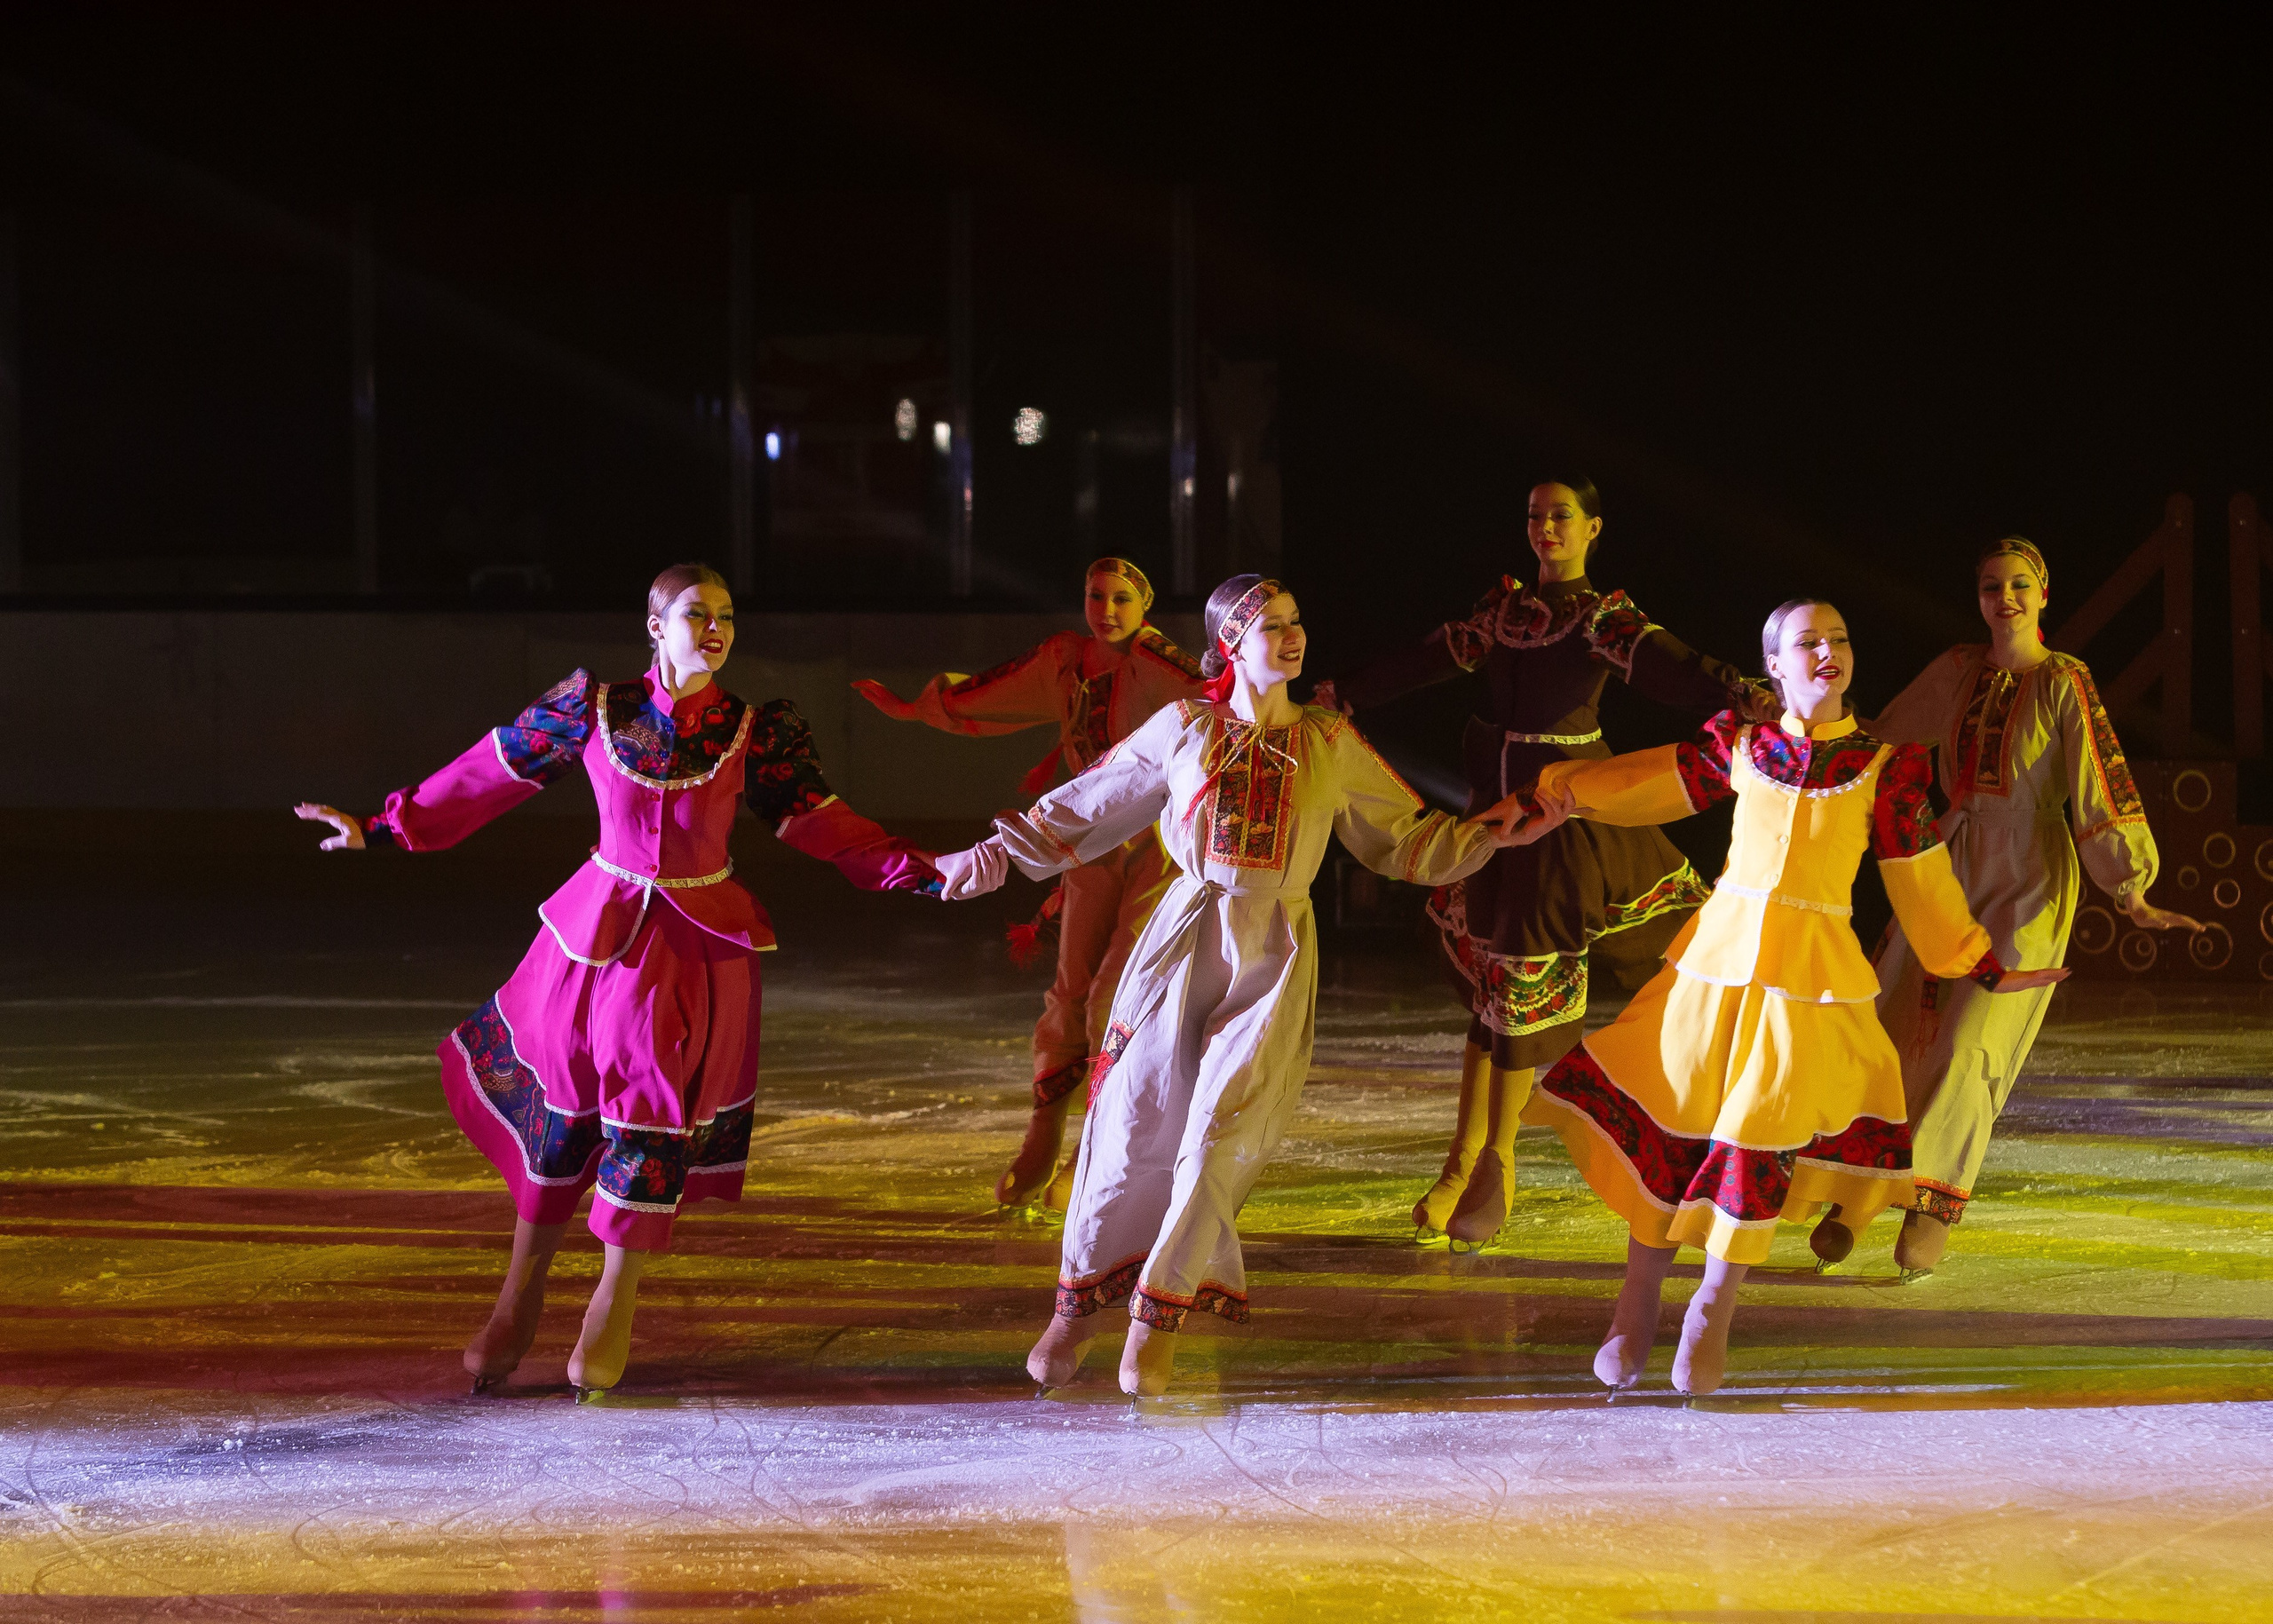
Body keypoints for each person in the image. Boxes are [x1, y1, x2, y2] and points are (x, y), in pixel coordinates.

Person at [296, 563, 986, 1399]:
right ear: (656, 625)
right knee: (562, 1108)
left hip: (692, 951)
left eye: (727, 615)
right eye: (698, 613)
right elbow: (495, 766)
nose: (717, 628)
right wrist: (383, 825)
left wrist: (922, 869)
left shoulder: (753, 729)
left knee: (650, 1108)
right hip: (590, 939)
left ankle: (613, 1298)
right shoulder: (595, 707)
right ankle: (519, 1295)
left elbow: (821, 821)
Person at [936, 575, 1512, 1395]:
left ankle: (1156, 1315)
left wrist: (1496, 832)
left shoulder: (1328, 738)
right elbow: (1088, 801)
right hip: (1183, 937)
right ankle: (1077, 1309)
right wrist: (991, 857)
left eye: (1296, 620)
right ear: (1230, 643)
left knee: (1218, 1133)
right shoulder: (1185, 726)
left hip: (1275, 951)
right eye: (1271, 624)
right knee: (1132, 1124)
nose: (1292, 635)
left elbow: (1408, 838)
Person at [1488, 598, 2068, 1395]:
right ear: (1774, 664)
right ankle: (1638, 1296)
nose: (1829, 651)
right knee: (1678, 1122)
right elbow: (1651, 781)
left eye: (1841, 638)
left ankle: (1713, 1306)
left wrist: (1982, 962)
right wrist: (1558, 792)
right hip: (1715, 966)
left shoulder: (1885, 767)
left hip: (1809, 981)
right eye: (1809, 641)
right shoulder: (1742, 742)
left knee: (1753, 1137)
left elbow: (1922, 877)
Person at [1315, 480, 1773, 1249]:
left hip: (1561, 817)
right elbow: (1425, 659)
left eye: (1562, 516)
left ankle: (1497, 1165)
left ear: (1593, 528)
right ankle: (1460, 1164)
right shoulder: (1500, 613)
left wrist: (1742, 692)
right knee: (1490, 998)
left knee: (1521, 986)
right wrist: (1346, 694)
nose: (1546, 527)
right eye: (1535, 515)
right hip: (1493, 815)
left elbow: (1672, 668)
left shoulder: (1600, 618)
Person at [1838, 539, 2199, 1277]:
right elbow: (1886, 737)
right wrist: (1809, 727)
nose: (2005, 598)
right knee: (1897, 1017)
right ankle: (1860, 1188)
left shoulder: (2065, 679)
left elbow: (2099, 777)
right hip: (1950, 857)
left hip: (2030, 873)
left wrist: (2130, 886)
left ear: (2044, 593)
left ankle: (1930, 1202)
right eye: (1991, 586)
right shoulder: (1956, 668)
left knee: (1974, 1038)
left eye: (2019, 585)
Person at [854, 558, 1205, 1209]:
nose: (1107, 610)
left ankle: (1096, 1149)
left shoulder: (1157, 661)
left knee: (1114, 994)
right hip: (1088, 843)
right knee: (1069, 991)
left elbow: (1221, 696)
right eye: (1096, 596)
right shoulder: (1065, 662)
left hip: (1156, 846)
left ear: (1146, 603)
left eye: (1122, 598)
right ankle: (1042, 1136)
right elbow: (993, 689)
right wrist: (919, 707)